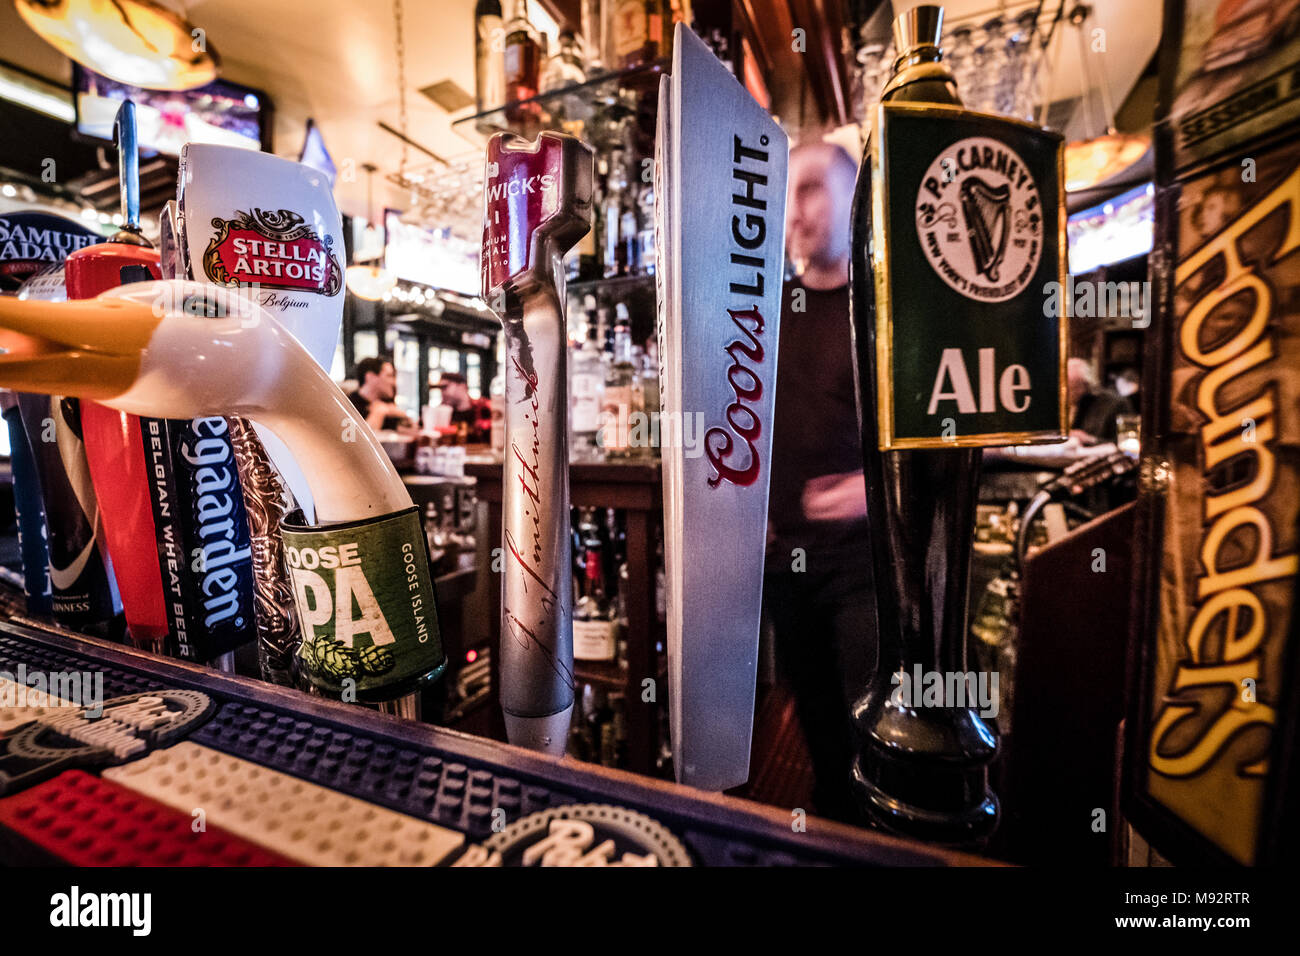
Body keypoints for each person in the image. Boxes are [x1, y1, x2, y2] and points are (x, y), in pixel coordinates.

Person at [763, 140, 876, 825]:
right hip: (785, 561)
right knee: (818, 734)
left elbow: (945, 435)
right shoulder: (770, 313)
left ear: (852, 202)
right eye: (787, 195)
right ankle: (831, 835)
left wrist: (874, 487)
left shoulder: (883, 309)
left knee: (873, 731)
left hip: (862, 564)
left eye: (810, 190)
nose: (796, 212)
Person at [1068, 357, 1132, 444]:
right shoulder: (1068, 405)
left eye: (1072, 388)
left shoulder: (1116, 404)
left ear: (1085, 384)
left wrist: (1090, 439)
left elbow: (1127, 443)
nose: (1066, 394)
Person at [349, 356, 418, 434]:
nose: (394, 382)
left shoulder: (387, 403)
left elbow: (410, 432)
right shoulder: (349, 405)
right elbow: (357, 441)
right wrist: (379, 412)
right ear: (371, 377)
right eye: (389, 376)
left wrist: (406, 418)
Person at [433, 371, 492, 443]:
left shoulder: (484, 409)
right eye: (441, 389)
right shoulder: (441, 413)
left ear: (462, 386)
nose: (442, 392)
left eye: (445, 387)